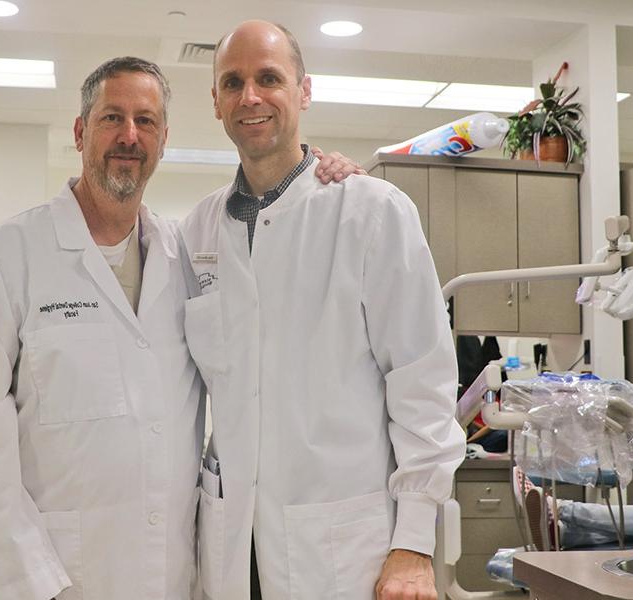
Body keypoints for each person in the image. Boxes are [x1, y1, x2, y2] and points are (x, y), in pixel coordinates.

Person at [0, 56, 359, 600]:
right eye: (113, 118)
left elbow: (277, 248)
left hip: (173, 575)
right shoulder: (9, 257)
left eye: (147, 121)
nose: (129, 137)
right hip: (59, 578)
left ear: (163, 139)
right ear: (82, 131)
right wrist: (33, 585)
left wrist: (324, 176)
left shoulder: (187, 251)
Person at [179, 21, 467, 600]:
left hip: (341, 550)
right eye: (232, 83)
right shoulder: (196, 230)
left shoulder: (371, 211)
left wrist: (413, 543)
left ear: (304, 91)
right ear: (215, 101)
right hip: (233, 549)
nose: (250, 97)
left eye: (269, 79)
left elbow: (421, 383)